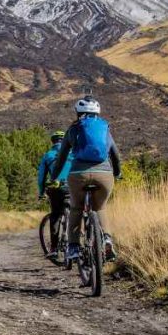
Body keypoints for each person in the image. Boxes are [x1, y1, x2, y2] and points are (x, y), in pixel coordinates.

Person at [51, 95, 121, 262]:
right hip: (104, 174)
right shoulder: (105, 128)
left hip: (78, 175)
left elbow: (61, 158)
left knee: (76, 208)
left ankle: (74, 248)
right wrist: (117, 173)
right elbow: (115, 155)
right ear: (98, 112)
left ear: (77, 112)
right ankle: (106, 239)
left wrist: (54, 176)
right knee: (100, 208)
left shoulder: (73, 129)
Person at [37, 130, 72, 257]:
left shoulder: (48, 155)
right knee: (77, 214)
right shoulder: (73, 153)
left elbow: (41, 177)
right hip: (73, 186)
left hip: (57, 188)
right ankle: (77, 246)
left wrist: (41, 192)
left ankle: (54, 248)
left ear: (53, 142)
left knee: (56, 215)